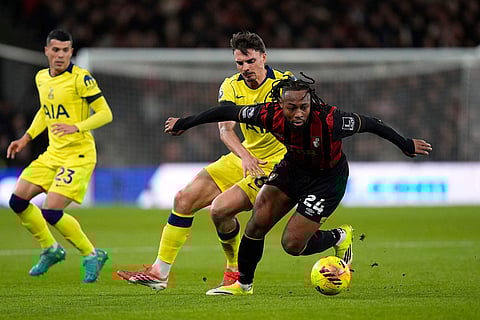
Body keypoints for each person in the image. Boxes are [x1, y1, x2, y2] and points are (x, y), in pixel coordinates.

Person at [164, 75, 432, 295]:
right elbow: (225, 111)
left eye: (304, 106)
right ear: (280, 104)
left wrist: (405, 144)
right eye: (292, 107)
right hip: (293, 170)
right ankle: (243, 285)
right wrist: (185, 123)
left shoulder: (329, 119)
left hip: (327, 180)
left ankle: (339, 236)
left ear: (310, 102)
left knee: (292, 245)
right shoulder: (268, 114)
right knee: (258, 220)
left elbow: (372, 124)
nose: (299, 112)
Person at [117, 31, 300, 292]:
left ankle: (235, 271)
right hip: (244, 156)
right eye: (239, 63)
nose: (245, 68)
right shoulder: (231, 86)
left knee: (219, 209)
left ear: (263, 57)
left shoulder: (284, 83)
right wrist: (245, 156)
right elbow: (226, 130)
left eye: (250, 61)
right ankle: (160, 273)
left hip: (277, 163)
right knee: (183, 199)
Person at [6, 29, 113, 283]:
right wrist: (26, 138)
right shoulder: (41, 77)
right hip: (53, 153)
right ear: (46, 51)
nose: (60, 55)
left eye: (66, 50)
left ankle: (92, 254)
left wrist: (77, 126)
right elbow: (45, 112)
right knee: (18, 201)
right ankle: (51, 249)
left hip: (78, 154)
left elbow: (105, 113)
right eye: (56, 50)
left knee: (51, 211)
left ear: (71, 52)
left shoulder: (81, 79)